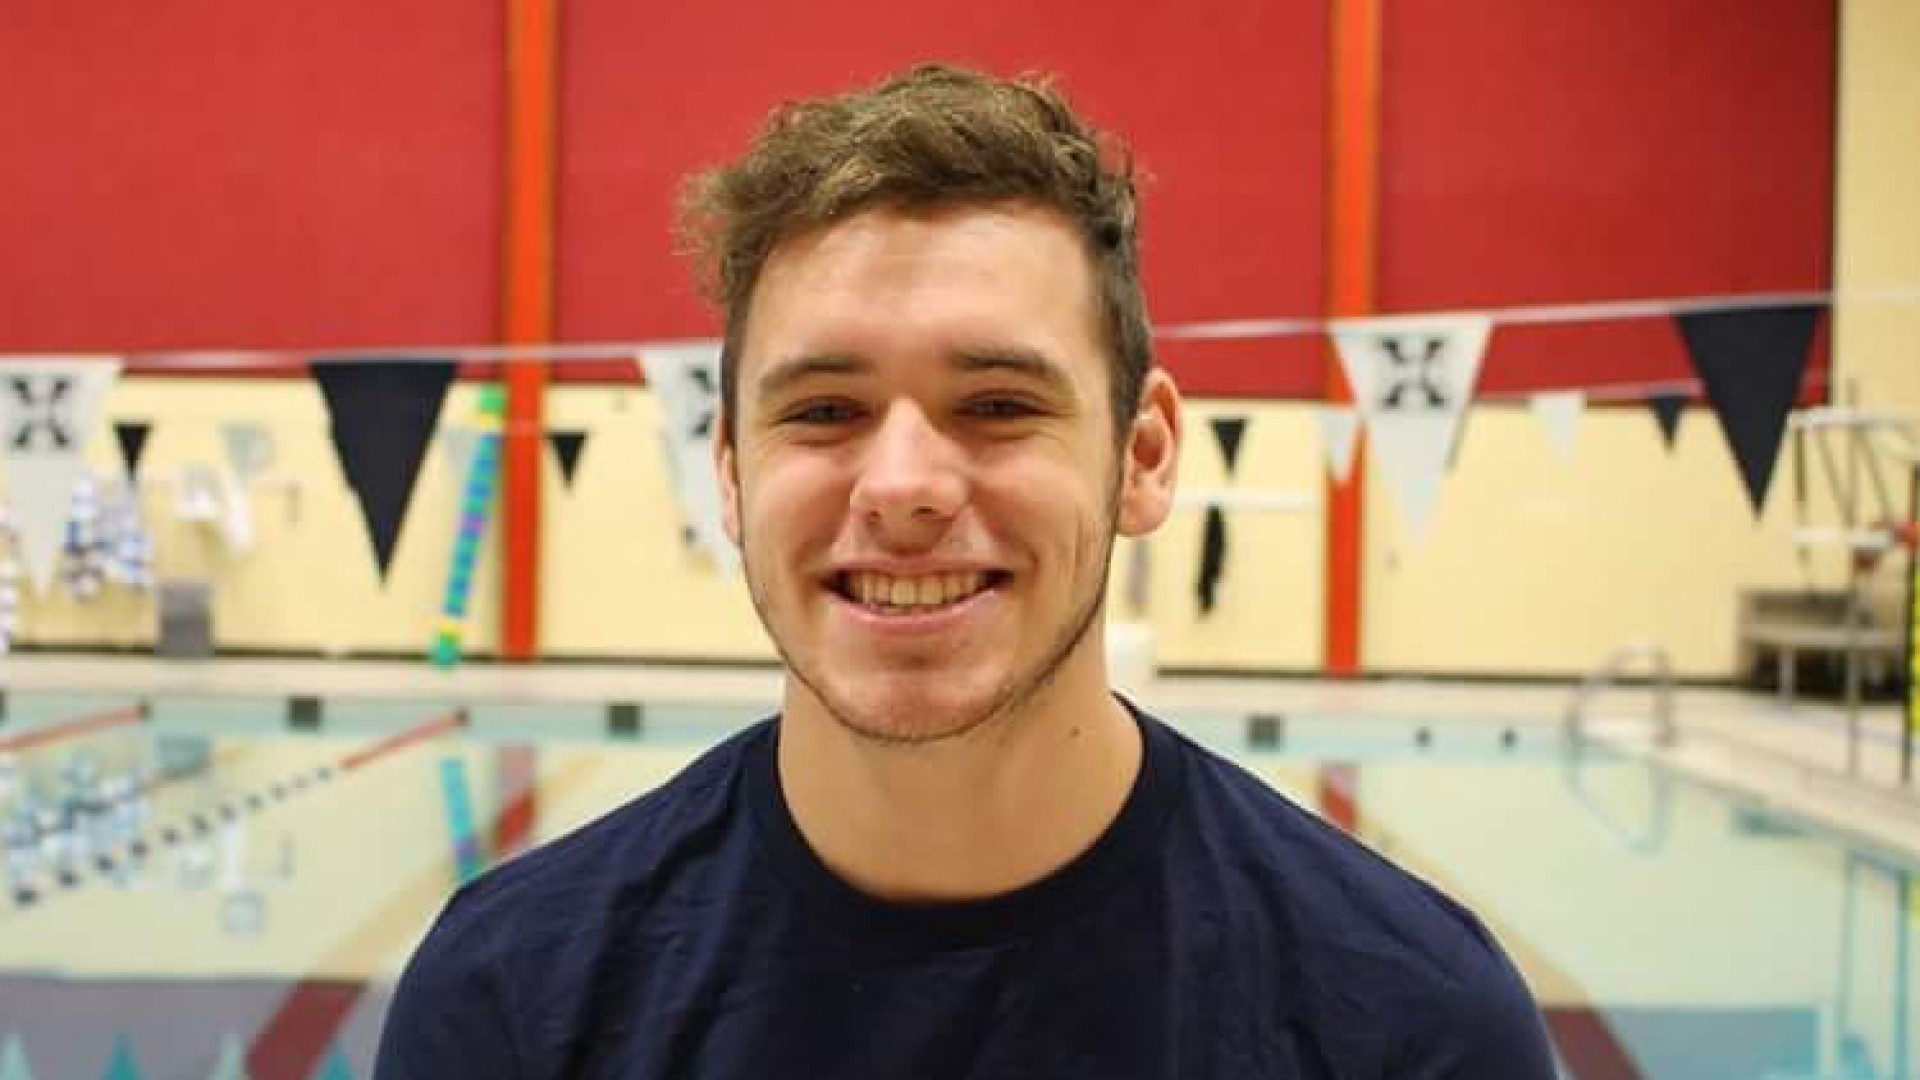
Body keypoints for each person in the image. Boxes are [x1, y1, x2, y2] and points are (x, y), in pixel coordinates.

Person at [374, 64, 1557, 1079]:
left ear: (1142, 456)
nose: (902, 486)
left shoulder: (1409, 1026)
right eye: (824, 409)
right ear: (729, 472)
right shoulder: (512, 1003)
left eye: (997, 405)